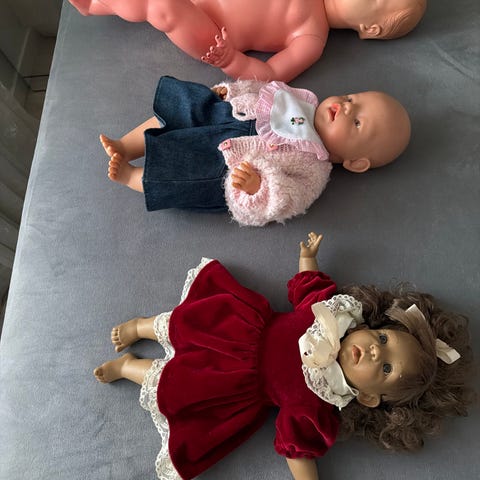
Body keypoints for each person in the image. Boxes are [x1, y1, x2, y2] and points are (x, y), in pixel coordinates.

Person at [94, 232, 474, 480]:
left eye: (386, 367)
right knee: (187, 322)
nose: (376, 350)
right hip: (244, 326)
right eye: (383, 338)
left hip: (236, 383)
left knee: (176, 384)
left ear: (370, 397)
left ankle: (130, 367)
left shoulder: (319, 403)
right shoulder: (334, 314)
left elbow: (298, 451)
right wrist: (308, 256)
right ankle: (142, 326)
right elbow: (306, 288)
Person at [100, 76, 411, 226]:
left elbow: (282, 202)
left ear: (355, 163)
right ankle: (126, 145)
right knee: (185, 107)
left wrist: (256, 187)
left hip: (224, 164)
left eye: (356, 122)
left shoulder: (314, 170)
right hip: (225, 114)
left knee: (178, 175)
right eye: (352, 98)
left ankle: (131, 175)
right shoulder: (304, 100)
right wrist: (232, 91)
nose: (346, 107)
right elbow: (262, 90)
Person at [68, 0, 427, 82]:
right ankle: (93, 5)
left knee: (163, 6)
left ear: (370, 28)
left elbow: (270, 75)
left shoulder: (312, 37)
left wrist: (231, 61)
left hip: (212, 35)